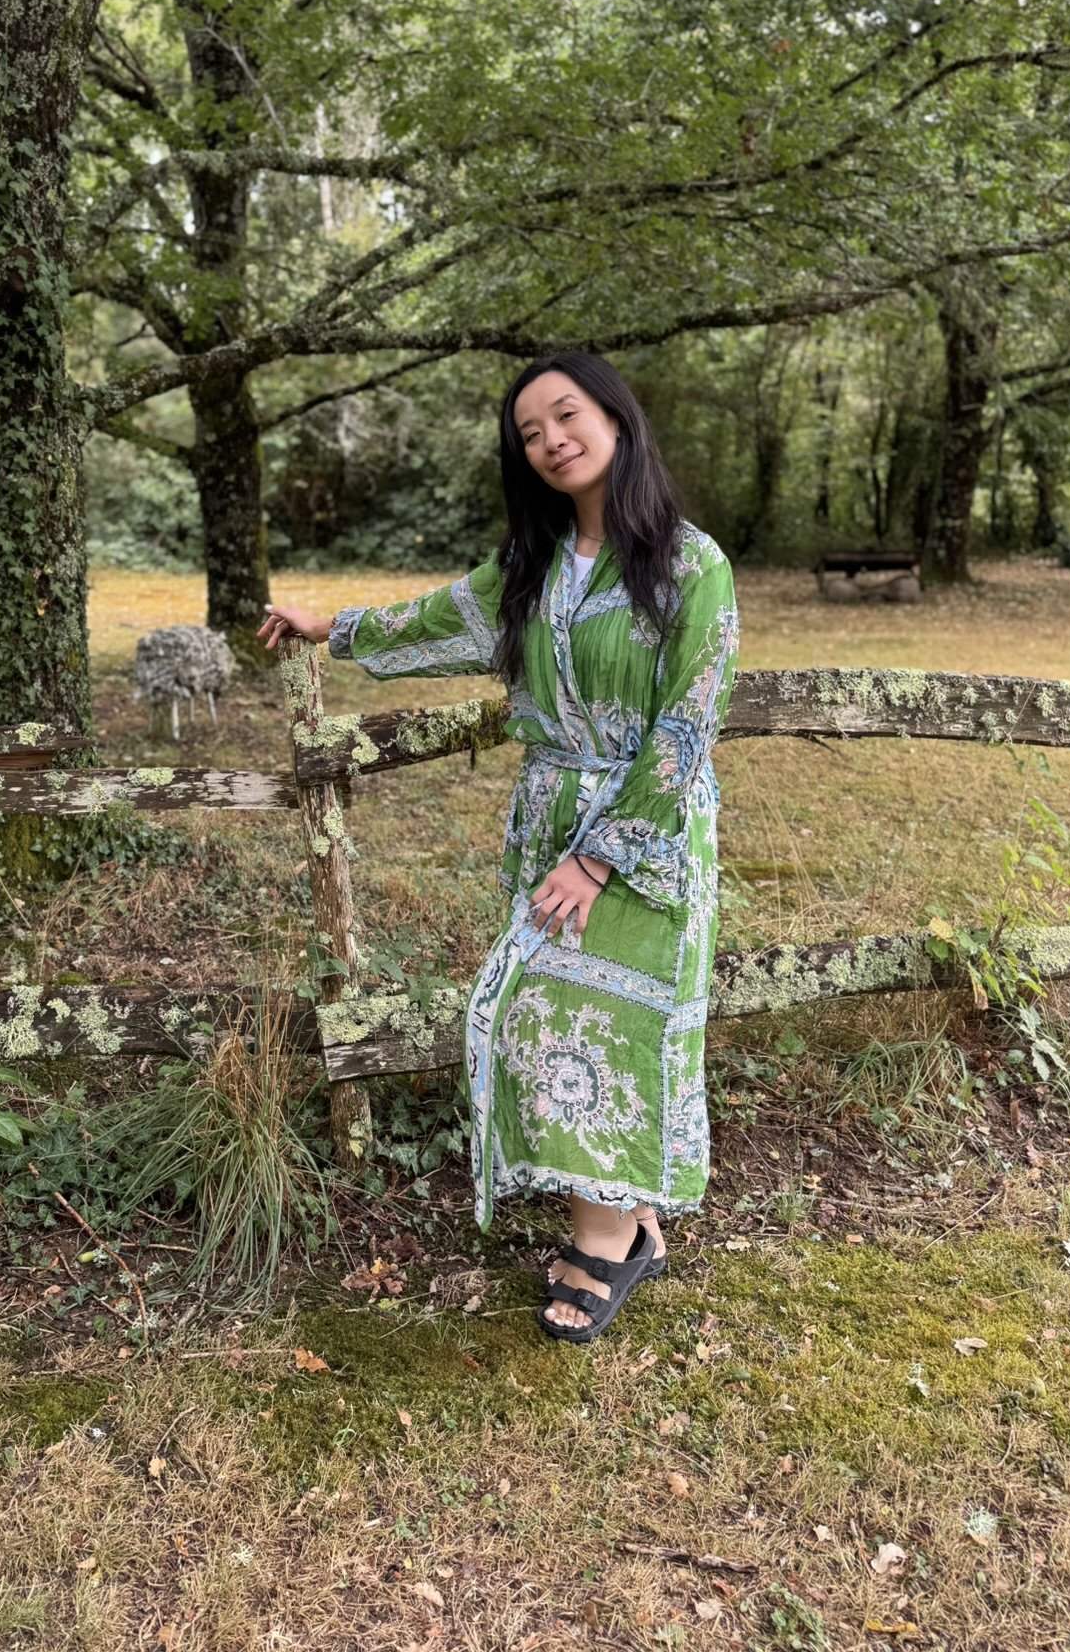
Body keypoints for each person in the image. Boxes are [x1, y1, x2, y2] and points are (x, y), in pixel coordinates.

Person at [258, 351, 740, 1343]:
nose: (552, 439)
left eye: (567, 416)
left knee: (602, 1018)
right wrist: (330, 627)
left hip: (645, 833)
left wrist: (600, 854)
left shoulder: (691, 565)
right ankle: (625, 1221)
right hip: (544, 817)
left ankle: (609, 1238)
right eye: (531, 432)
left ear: (615, 417)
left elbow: (688, 722)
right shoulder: (531, 564)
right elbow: (435, 618)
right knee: (539, 1011)